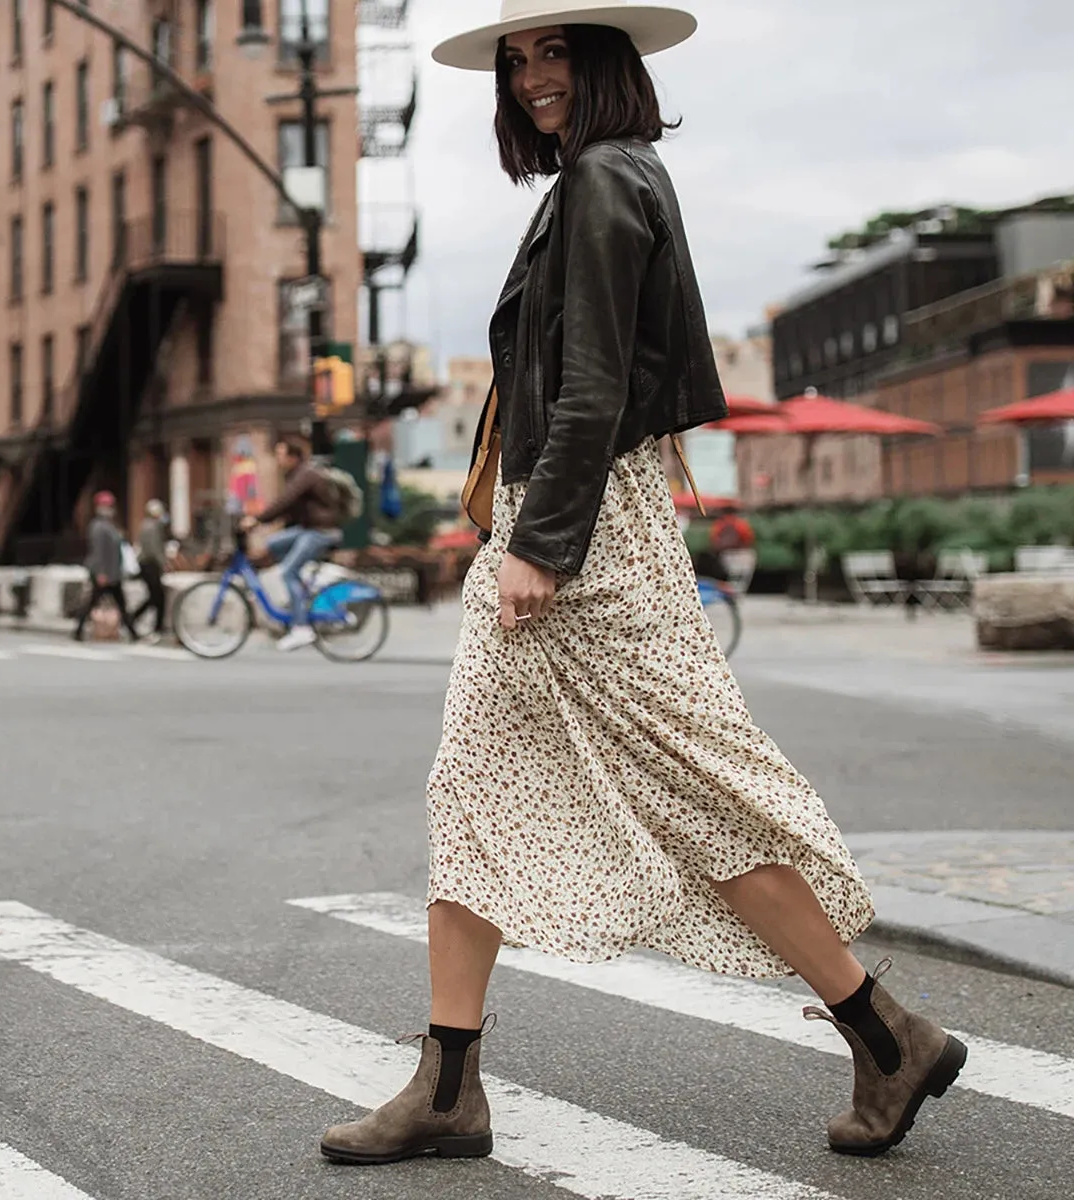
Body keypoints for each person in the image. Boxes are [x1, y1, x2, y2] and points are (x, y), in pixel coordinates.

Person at [320, 2, 967, 1170]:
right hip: (560, 521)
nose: (529, 78)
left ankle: (886, 1031)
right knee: (473, 784)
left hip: (579, 534)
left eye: (552, 52)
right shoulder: (594, 183)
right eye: (516, 62)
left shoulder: (609, 181)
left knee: (694, 789)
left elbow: (595, 385)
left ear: (606, 59)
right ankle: (449, 1082)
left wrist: (541, 546)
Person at [239, 433, 345, 653]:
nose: (278, 459)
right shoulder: (297, 473)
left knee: (288, 572)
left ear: (293, 456)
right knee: (274, 543)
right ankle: (302, 586)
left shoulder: (305, 474)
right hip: (308, 529)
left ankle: (301, 627)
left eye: (281, 454)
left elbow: (285, 501)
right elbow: (291, 509)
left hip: (321, 532)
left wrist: (257, 520)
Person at [72, 491, 139, 643]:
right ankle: (78, 630)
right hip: (104, 574)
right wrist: (101, 573)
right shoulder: (98, 527)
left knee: (118, 604)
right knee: (94, 603)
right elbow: (99, 551)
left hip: (112, 573)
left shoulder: (109, 526)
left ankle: (133, 633)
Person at [131, 499, 171, 643]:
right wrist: (164, 563)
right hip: (150, 565)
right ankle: (151, 624)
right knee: (157, 596)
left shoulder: (147, 525)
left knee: (155, 596)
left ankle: (137, 619)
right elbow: (154, 549)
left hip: (147, 564)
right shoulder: (152, 527)